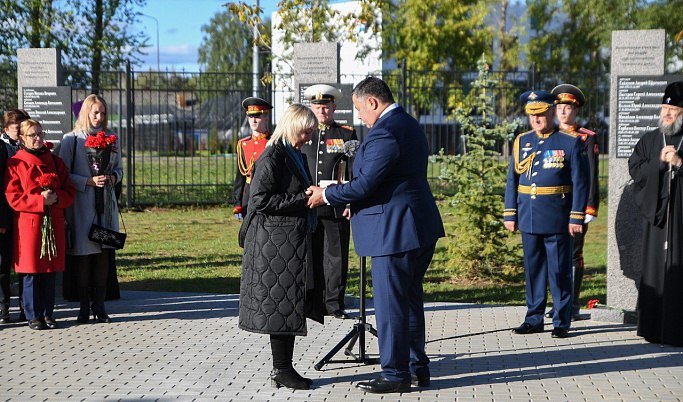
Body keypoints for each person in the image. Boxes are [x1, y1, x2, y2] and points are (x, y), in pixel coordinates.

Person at [307, 77, 445, 394]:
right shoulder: (406, 122)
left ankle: (396, 374)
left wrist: (326, 196)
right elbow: (380, 181)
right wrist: (344, 196)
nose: (359, 118)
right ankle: (415, 367)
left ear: (372, 102)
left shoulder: (387, 131)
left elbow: (366, 183)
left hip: (395, 231)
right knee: (408, 301)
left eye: (359, 109)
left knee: (390, 305)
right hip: (412, 226)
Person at [238, 103, 325, 391]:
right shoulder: (273, 156)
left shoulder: (293, 153)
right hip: (275, 245)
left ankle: (284, 369)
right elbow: (259, 201)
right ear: (291, 126)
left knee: (287, 305)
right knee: (281, 307)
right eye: (305, 132)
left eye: (311, 133)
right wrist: (303, 198)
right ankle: (282, 370)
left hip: (288, 243)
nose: (309, 138)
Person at [504, 90, 589, 339]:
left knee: (560, 271)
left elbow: (580, 183)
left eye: (540, 114)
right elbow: (513, 179)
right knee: (533, 270)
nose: (536, 119)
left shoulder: (570, 142)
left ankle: (562, 320)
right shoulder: (522, 141)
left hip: (557, 217)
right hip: (529, 215)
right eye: (532, 115)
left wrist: (576, 217)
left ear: (552, 112)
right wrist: (511, 213)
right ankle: (534, 318)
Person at [5, 119, 75, 330]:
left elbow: (69, 191)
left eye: (40, 134)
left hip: (53, 222)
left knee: (50, 270)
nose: (38, 138)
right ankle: (33, 315)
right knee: (31, 271)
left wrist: (55, 198)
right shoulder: (15, 163)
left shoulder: (56, 161)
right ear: (22, 138)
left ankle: (48, 313)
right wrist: (39, 201)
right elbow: (13, 197)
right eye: (33, 135)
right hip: (29, 226)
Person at [59, 94, 123, 324]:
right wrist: (87, 182)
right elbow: (63, 172)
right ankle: (84, 306)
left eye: (103, 113)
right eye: (95, 112)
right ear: (86, 112)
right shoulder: (72, 139)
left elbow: (120, 169)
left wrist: (114, 177)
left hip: (106, 205)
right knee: (85, 255)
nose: (99, 117)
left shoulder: (112, 139)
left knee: (104, 253)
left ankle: (101, 305)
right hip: (83, 206)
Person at [628, 81, 683, 347]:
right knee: (655, 270)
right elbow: (635, 169)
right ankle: (652, 328)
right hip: (657, 221)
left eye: (673, 109)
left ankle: (676, 330)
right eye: (664, 108)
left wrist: (679, 164)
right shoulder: (650, 140)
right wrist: (657, 163)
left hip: (680, 222)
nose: (666, 113)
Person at [543, 84, 600, 321]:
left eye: (568, 107)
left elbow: (592, 175)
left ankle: (572, 304)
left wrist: (589, 207)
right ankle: (557, 303)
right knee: (552, 254)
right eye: (559, 107)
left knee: (573, 254)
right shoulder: (547, 135)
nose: (563, 112)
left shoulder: (586, 138)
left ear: (576, 111)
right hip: (552, 206)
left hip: (576, 206)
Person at [301, 84, 358, 320]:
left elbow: (354, 170)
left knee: (337, 256)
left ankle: (334, 303)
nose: (321, 110)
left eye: (325, 106)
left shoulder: (346, 134)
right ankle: (310, 302)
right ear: (311, 107)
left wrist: (350, 203)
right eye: (317, 106)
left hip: (336, 203)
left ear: (334, 107)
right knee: (309, 255)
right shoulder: (303, 133)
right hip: (308, 204)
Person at [0, 109, 30, 323]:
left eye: (23, 127)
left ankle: (26, 307)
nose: (20, 132)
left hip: (26, 214)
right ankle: (3, 309)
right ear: (6, 129)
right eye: (17, 128)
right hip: (5, 215)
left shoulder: (29, 147)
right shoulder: (2, 148)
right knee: (2, 265)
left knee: (25, 263)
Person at [232, 97, 272, 220]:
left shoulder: (273, 142)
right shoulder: (243, 144)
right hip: (248, 194)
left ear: (266, 119)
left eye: (257, 116)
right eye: (251, 117)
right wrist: (237, 203)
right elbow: (240, 176)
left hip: (268, 192)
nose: (253, 120)